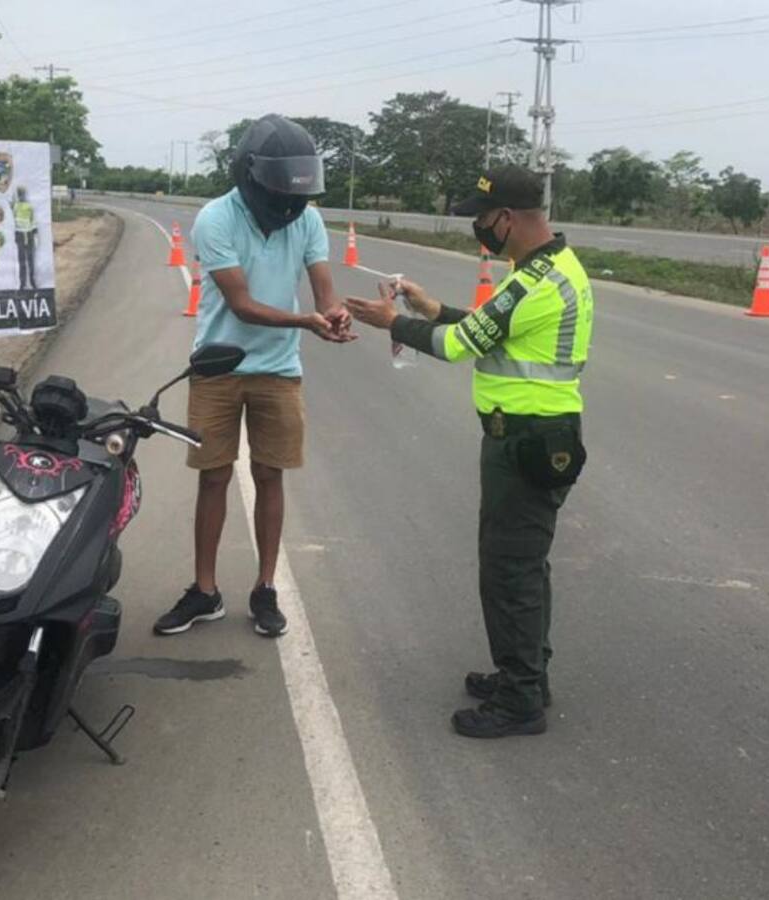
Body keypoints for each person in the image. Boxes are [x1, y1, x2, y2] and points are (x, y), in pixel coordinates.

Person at [346, 165, 593, 738]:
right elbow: (486, 329)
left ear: (507, 217)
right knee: (523, 568)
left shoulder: (535, 282)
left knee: (510, 571)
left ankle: (520, 699)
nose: (478, 229)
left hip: (529, 441)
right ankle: (527, 675)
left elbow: (461, 346)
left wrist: (396, 323)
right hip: (535, 436)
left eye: (482, 219)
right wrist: (428, 308)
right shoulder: (546, 268)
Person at [153, 114, 354, 640]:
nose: (288, 205)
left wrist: (332, 314)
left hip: (279, 371)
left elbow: (323, 290)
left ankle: (265, 588)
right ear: (250, 175)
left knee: (271, 475)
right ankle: (205, 591)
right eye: (279, 193)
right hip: (219, 365)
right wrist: (306, 322)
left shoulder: (307, 221)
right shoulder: (216, 219)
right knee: (214, 475)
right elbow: (241, 305)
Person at [12, 186, 37, 290]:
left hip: (29, 234)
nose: (21, 196)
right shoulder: (16, 206)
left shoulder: (29, 206)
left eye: (22, 194)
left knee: (30, 260)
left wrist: (35, 232)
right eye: (19, 194)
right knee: (22, 260)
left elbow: (33, 220)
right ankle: (22, 283)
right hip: (20, 235)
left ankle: (32, 281)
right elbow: (13, 220)